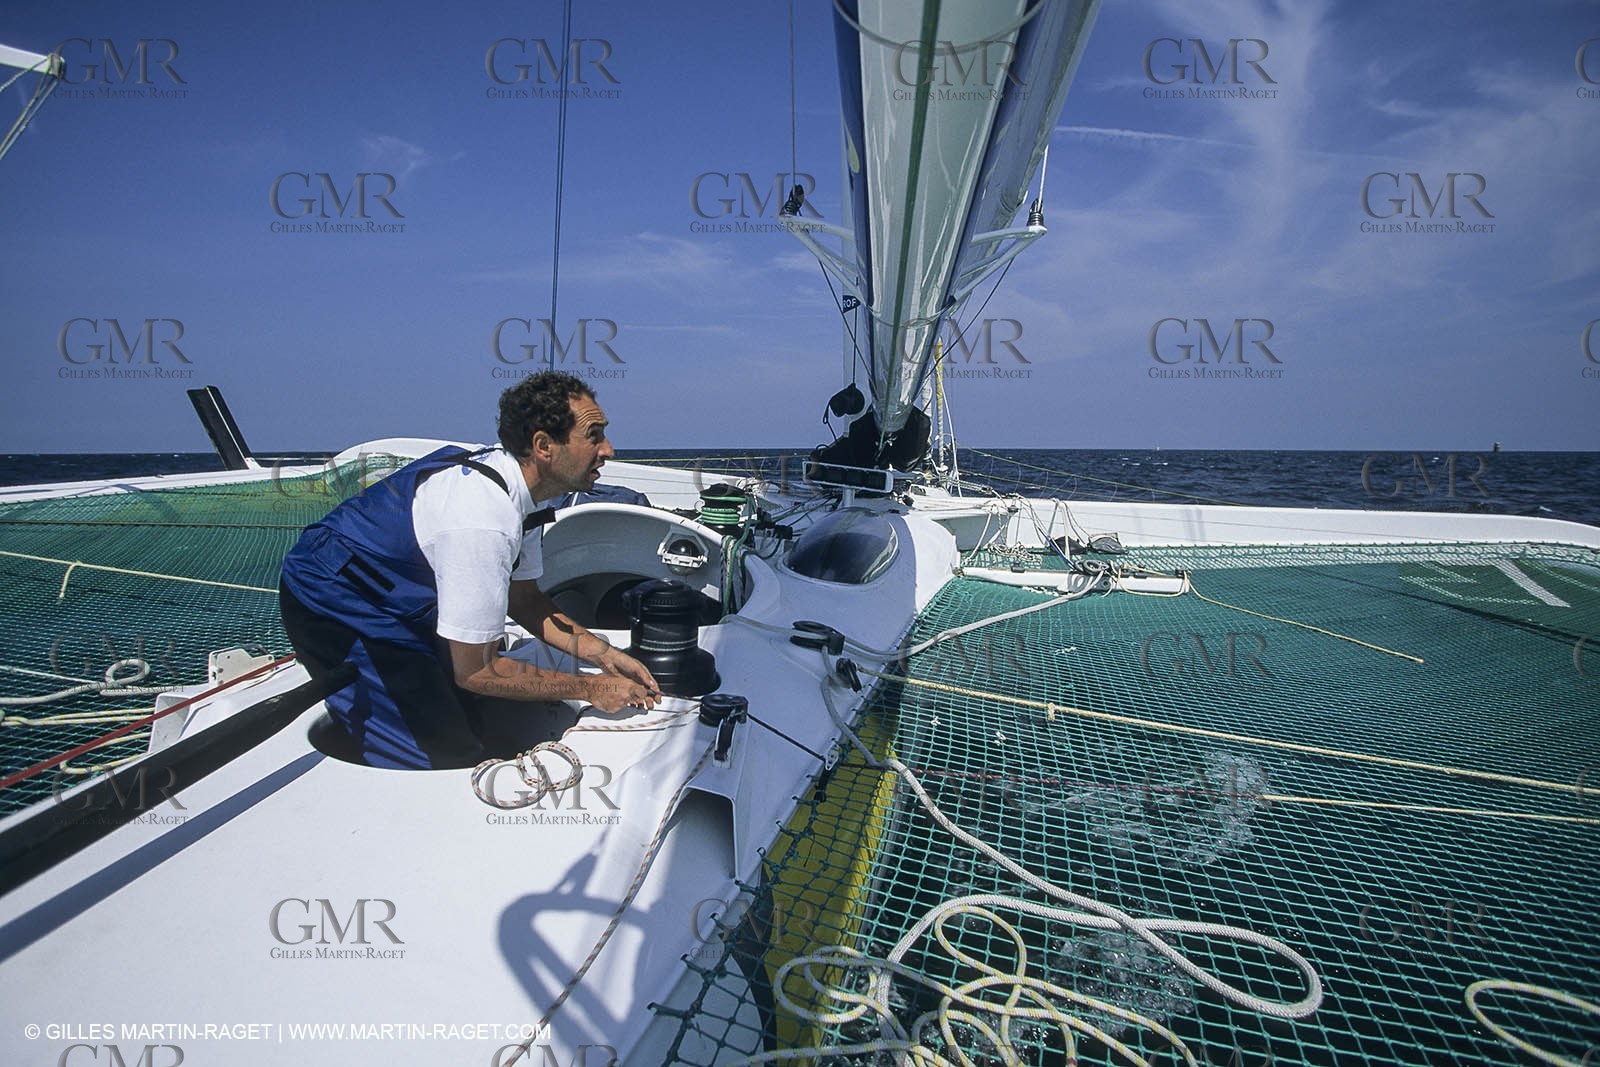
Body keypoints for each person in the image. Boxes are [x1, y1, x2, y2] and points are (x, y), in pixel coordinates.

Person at [278, 371, 660, 770]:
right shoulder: (482, 520)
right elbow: (476, 671)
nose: (609, 450)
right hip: (337, 597)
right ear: (544, 446)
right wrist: (591, 689)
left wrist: (604, 655)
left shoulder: (523, 492)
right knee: (442, 749)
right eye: (594, 435)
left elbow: (525, 599)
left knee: (469, 707)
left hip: (400, 587)